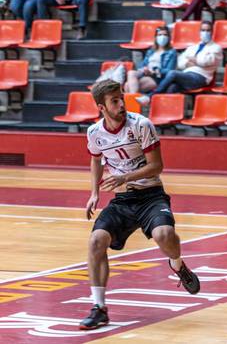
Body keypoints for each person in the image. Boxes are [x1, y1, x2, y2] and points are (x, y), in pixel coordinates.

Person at [80, 79, 200, 330]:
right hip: (122, 200)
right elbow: (95, 161)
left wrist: (124, 177)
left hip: (150, 195)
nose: (121, 104)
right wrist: (94, 193)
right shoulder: (94, 132)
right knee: (95, 241)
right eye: (115, 100)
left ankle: (177, 265)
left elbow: (157, 166)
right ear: (102, 107)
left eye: (121, 98)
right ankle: (99, 308)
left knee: (165, 235)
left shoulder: (141, 125)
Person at [136, 21, 222, 106]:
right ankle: (168, 113)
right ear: (199, 32)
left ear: (212, 32)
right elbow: (180, 62)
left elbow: (207, 61)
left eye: (208, 30)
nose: (205, 33)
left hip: (200, 77)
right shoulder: (192, 47)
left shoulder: (216, 48)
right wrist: (188, 63)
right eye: (203, 30)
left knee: (172, 73)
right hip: (186, 75)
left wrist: (193, 59)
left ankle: (150, 96)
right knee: (172, 87)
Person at [124, 26, 177, 94]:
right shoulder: (151, 51)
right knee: (131, 73)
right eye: (160, 35)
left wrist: (154, 71)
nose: (162, 37)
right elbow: (142, 65)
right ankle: (135, 101)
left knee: (127, 86)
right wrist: (145, 69)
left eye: (165, 35)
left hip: (157, 77)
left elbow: (170, 70)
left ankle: (133, 102)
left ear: (169, 37)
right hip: (145, 74)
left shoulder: (172, 52)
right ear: (156, 37)